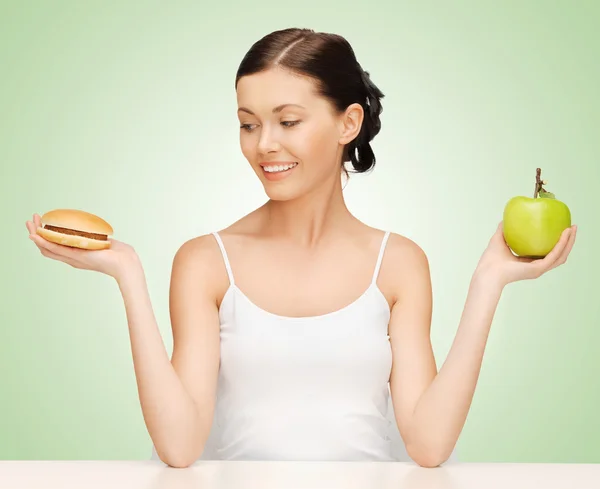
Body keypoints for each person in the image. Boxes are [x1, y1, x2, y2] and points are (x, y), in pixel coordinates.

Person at [26, 27, 577, 468]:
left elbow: (428, 447)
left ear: (348, 123)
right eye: (248, 124)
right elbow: (179, 447)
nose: (264, 145)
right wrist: (128, 273)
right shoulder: (204, 261)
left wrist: (488, 283)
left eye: (288, 121)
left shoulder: (399, 263)